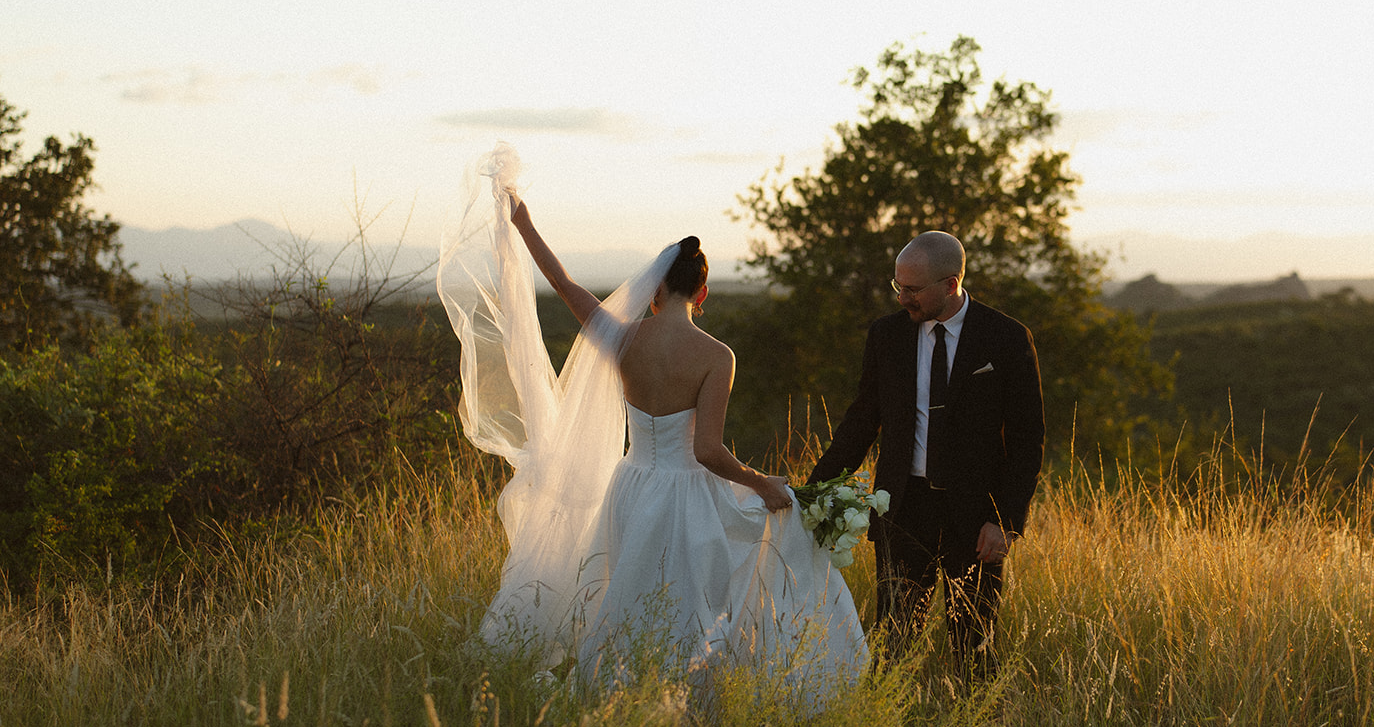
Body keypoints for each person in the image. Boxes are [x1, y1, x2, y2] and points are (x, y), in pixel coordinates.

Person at [438, 143, 866, 690]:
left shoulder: (621, 337)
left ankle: (614, 689)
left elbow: (566, 285)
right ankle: (684, 701)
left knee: (627, 599)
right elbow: (708, 451)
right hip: (689, 495)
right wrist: (761, 484)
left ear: (655, 289)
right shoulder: (717, 356)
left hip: (633, 486)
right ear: (703, 292)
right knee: (690, 607)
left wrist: (521, 220)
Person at [806, 231, 1044, 670]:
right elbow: (861, 422)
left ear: (951, 284)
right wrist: (812, 492)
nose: (902, 298)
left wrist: (1006, 522)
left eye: (912, 290)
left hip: (975, 518)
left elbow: (1029, 439)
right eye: (898, 286)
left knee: (975, 647)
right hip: (902, 510)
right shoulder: (886, 336)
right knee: (892, 642)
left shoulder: (1007, 338)